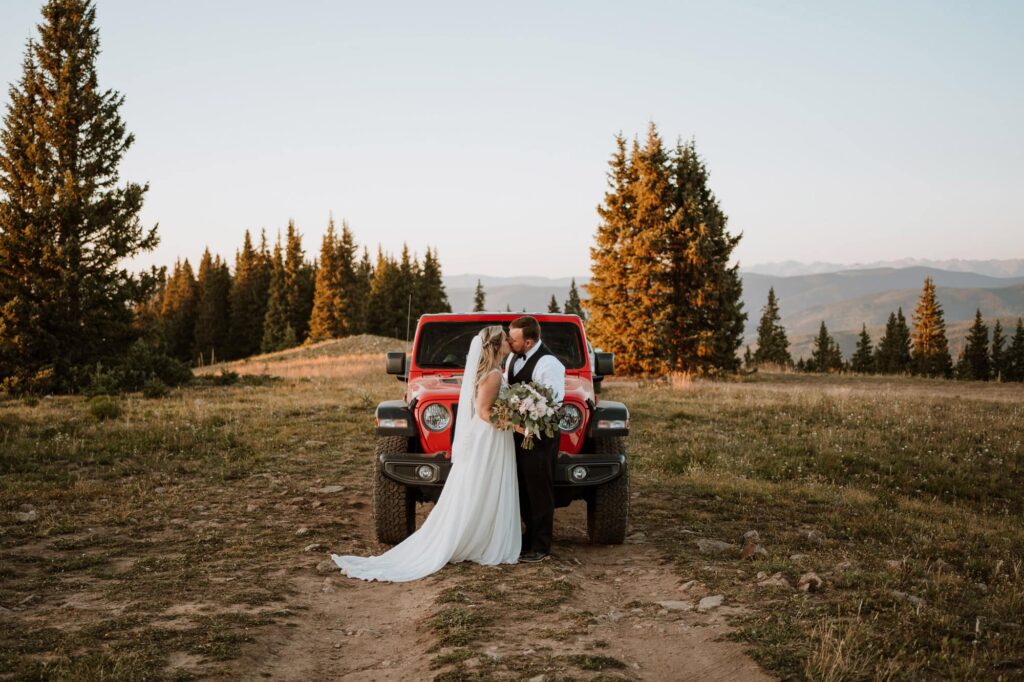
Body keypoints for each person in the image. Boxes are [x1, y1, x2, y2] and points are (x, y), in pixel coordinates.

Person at [331, 326, 521, 582]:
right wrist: (517, 425)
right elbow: (486, 413)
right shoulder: (494, 375)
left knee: (481, 486)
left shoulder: (491, 372)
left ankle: (481, 534)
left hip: (489, 437)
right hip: (491, 436)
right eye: (506, 338)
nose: (510, 341)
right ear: (498, 345)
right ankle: (481, 538)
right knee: (485, 485)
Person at [505, 316, 566, 563]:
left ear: (528, 342)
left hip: (539, 436)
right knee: (522, 488)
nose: (509, 341)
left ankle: (541, 546)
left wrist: (527, 418)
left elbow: (551, 403)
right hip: (518, 433)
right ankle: (526, 540)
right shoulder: (512, 357)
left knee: (539, 490)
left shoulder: (549, 363)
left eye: (514, 338)